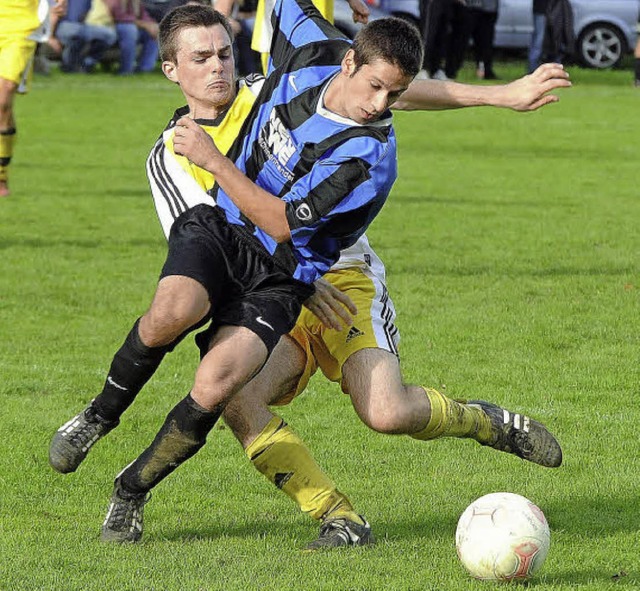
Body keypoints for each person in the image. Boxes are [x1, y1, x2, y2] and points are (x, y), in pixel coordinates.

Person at [49, 2, 570, 546]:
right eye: (202, 58)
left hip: (334, 275)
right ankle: (334, 513)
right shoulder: (172, 154)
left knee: (386, 412)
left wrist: (496, 94)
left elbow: (388, 83)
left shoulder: (281, 88)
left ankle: (480, 420)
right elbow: (207, 250)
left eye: (225, 51)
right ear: (172, 69)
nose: (219, 67)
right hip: (271, 278)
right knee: (226, 385)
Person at [0, 0, 67, 198]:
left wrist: (53, 23)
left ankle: (1, 176)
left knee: (3, 96)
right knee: (4, 106)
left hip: (23, 29)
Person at [48, 0, 117, 73]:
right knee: (78, 35)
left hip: (84, 27)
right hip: (66, 26)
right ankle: (70, 65)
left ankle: (87, 63)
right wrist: (50, 37)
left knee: (110, 35)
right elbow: (54, 13)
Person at [102, 0, 159, 73]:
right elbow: (121, 18)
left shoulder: (136, 2)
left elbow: (145, 17)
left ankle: (145, 69)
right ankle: (126, 70)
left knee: (153, 31)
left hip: (133, 26)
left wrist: (151, 25)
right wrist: (144, 25)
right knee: (129, 30)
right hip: (115, 26)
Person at [528, 0, 549, 73]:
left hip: (543, 9)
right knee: (539, 40)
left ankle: (533, 67)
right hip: (543, 9)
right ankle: (533, 68)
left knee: (538, 39)